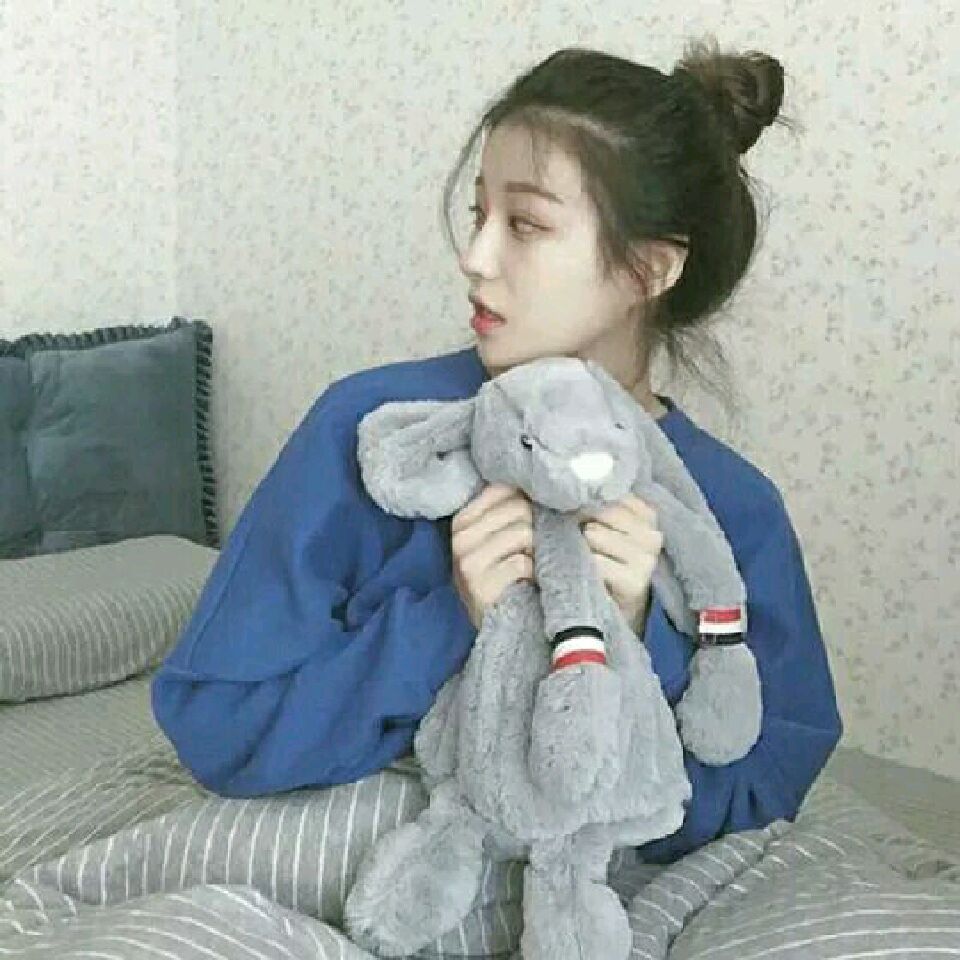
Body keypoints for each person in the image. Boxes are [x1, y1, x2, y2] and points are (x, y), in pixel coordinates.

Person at [151, 38, 842, 864]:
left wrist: (636, 643)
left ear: (649, 268)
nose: (474, 259)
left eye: (526, 225)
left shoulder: (734, 511)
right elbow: (218, 727)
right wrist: (449, 615)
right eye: (480, 215)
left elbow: (761, 799)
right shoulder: (376, 430)